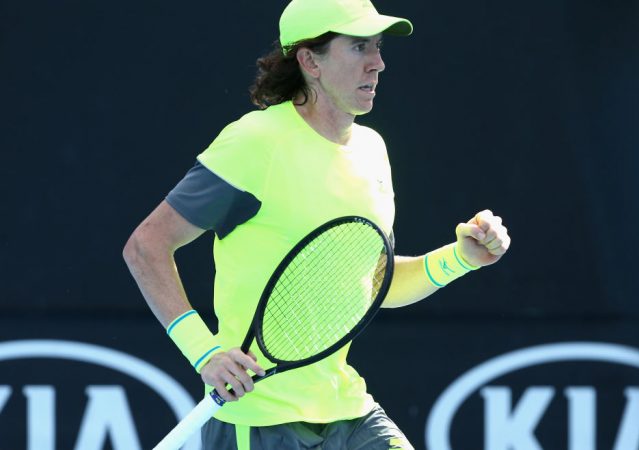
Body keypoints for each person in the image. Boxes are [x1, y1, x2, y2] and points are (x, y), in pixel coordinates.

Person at [123, 0, 511, 448]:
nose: (378, 63)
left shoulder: (371, 150)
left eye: (379, 47)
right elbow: (146, 246)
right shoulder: (255, 143)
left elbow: (372, 285)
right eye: (359, 47)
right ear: (310, 61)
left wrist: (461, 258)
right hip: (261, 420)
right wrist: (204, 352)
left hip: (349, 409)